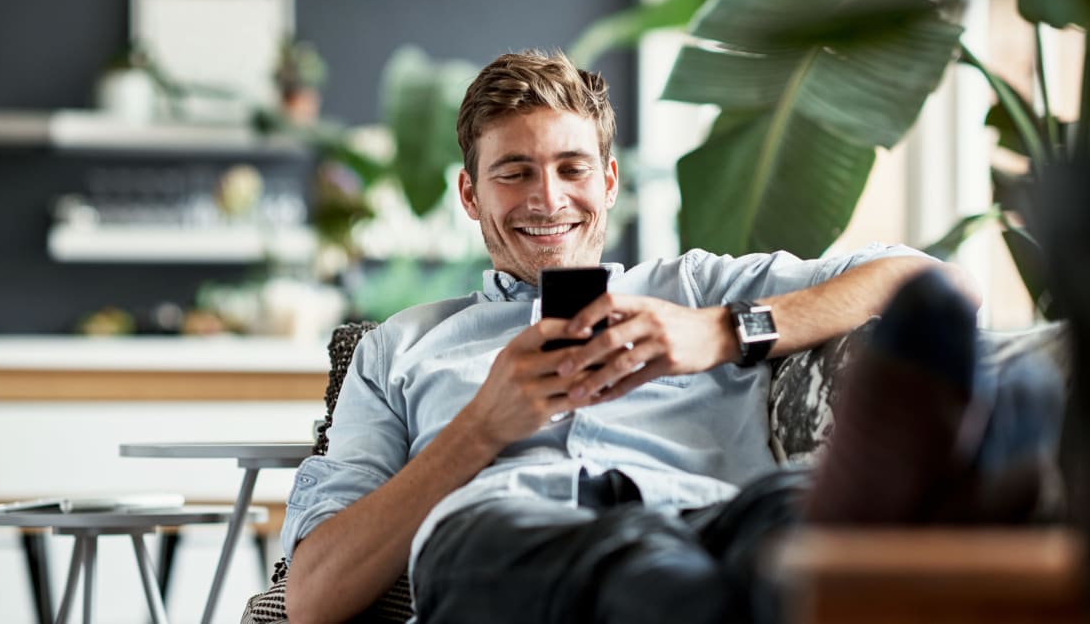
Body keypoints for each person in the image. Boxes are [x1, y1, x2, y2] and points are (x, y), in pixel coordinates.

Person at [278, 50, 983, 623]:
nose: (548, 199)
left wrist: (723, 331)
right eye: (514, 172)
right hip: (502, 536)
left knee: (787, 515)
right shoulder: (398, 348)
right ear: (471, 195)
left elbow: (933, 286)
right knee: (661, 578)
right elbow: (313, 596)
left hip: (707, 514)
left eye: (571, 168)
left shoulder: (701, 290)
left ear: (609, 180)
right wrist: (479, 431)